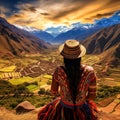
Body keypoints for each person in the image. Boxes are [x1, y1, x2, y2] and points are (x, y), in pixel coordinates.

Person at [38, 39, 98, 120]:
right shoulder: (90, 71)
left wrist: (64, 97)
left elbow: (53, 91)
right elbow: (92, 95)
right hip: (82, 107)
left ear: (64, 57)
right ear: (80, 56)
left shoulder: (58, 71)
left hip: (63, 108)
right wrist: (81, 100)